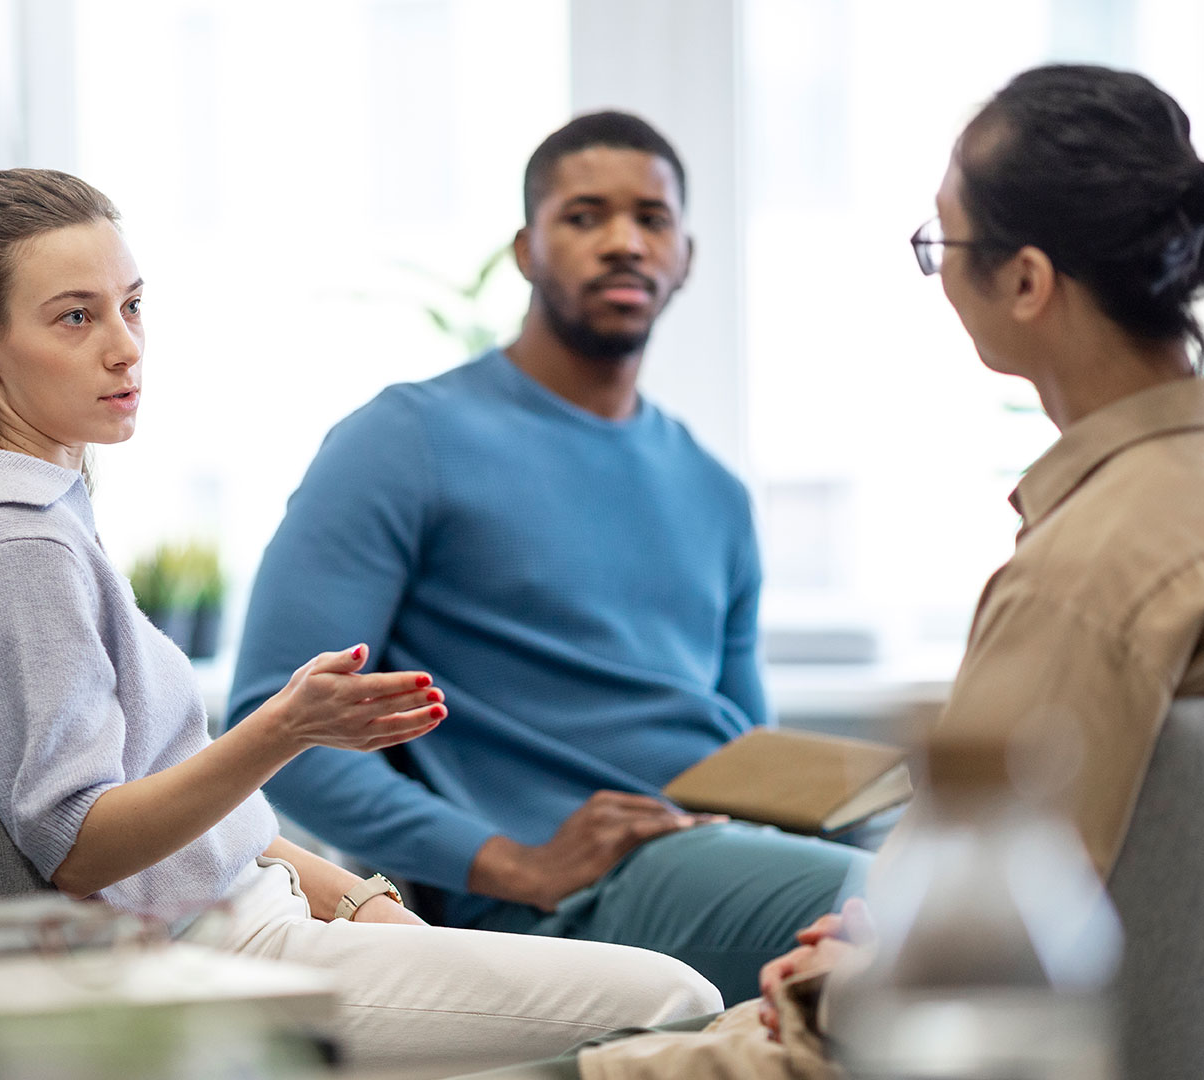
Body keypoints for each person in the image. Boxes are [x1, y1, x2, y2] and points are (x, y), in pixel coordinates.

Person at [497, 63, 1204, 1080]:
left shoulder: (1090, 573)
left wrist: (842, 970)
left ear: (1029, 281)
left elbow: (968, 960)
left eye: (942, 244)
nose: (941, 273)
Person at [0, 168, 721, 1071]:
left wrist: (357, 899)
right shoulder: (16, 552)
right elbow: (81, 847)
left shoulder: (38, 523)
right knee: (678, 1000)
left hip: (257, 920)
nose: (125, 348)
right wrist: (285, 727)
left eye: (133, 307)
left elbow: (190, 822)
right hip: (212, 961)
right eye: (76, 317)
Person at [227, 110, 870, 1005]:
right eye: (584, 216)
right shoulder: (404, 440)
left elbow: (743, 746)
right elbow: (274, 724)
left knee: (1013, 879)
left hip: (717, 854)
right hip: (552, 898)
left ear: (686, 254)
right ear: (527, 250)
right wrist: (508, 863)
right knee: (914, 911)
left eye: (651, 219)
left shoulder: (713, 489)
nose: (622, 242)